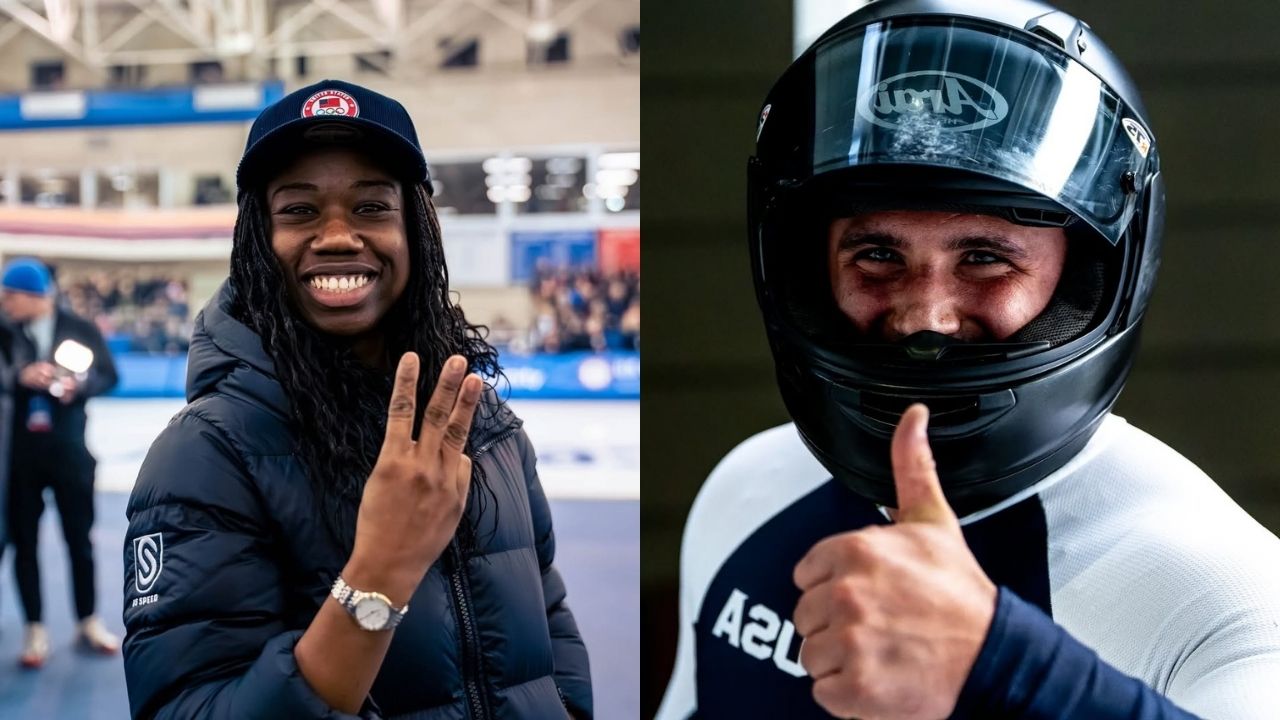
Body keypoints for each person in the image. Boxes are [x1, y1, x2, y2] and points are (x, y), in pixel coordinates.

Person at [657, 1, 1280, 718]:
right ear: (808, 272)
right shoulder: (746, 492)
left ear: (1087, 277)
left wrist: (1006, 668)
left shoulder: (1225, 594)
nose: (927, 316)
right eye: (878, 254)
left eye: (986, 258)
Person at [120, 80, 592, 719]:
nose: (338, 236)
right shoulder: (206, 452)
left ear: (415, 230)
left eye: (371, 207)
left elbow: (549, 617)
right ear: (258, 239)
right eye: (300, 211)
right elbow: (187, 708)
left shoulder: (484, 423)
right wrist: (379, 574)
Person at [1, 257, 120, 667]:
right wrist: (19, 376)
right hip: (19, 457)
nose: (5, 302)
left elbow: (109, 374)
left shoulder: (80, 329)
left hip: (70, 452)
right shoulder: (5, 333)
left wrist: (79, 387)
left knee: (79, 541)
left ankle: (87, 620)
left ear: (37, 297)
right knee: (25, 545)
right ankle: (35, 629)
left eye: (11, 295)